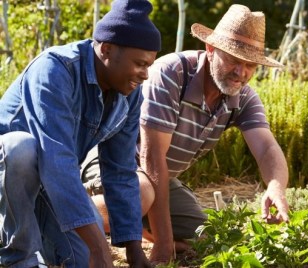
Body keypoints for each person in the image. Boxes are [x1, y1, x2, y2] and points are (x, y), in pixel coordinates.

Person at [86, 3, 290, 265]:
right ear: (211, 49)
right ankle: (63, 219)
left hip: (159, 179)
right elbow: (151, 157)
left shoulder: (243, 98)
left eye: (250, 65)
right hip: (113, 165)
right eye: (234, 60)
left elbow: (267, 149)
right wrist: (162, 245)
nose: (241, 73)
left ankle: (135, 229)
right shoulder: (172, 73)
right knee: (141, 193)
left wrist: (275, 187)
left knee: (210, 236)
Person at [0, 0, 160, 267]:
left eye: (149, 65)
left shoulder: (128, 94)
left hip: (49, 184)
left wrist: (133, 250)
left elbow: (120, 171)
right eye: (139, 64)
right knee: (21, 148)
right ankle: (19, 258)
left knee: (83, 257)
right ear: (107, 49)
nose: (145, 75)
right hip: (8, 180)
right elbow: (56, 159)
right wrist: (100, 248)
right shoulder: (55, 70)